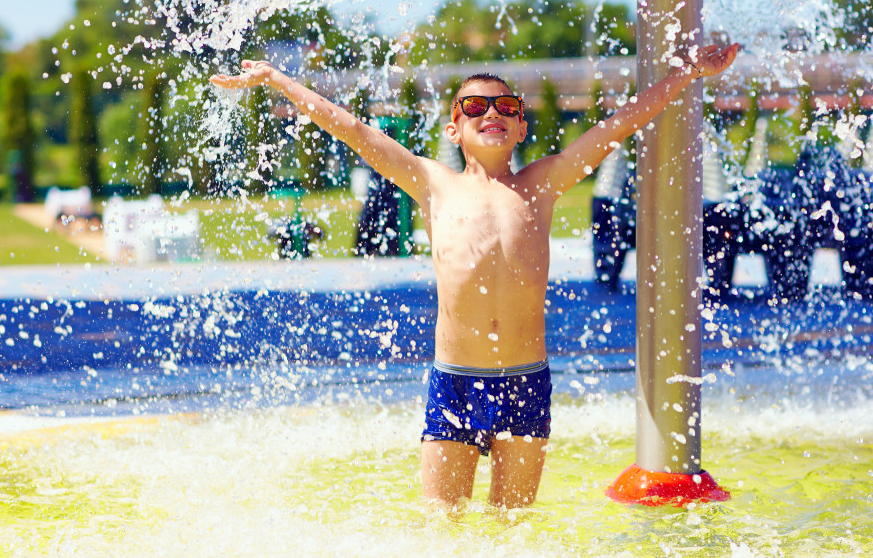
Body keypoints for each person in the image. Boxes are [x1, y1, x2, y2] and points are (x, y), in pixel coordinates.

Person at [209, 41, 739, 509]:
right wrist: (278, 80)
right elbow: (352, 129)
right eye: (475, 106)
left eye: (506, 106)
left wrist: (687, 74)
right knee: (444, 526)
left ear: (522, 125)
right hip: (455, 384)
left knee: (512, 526)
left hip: (526, 381)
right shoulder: (432, 182)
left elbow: (618, 124)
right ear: (453, 128)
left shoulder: (544, 181)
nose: (493, 112)